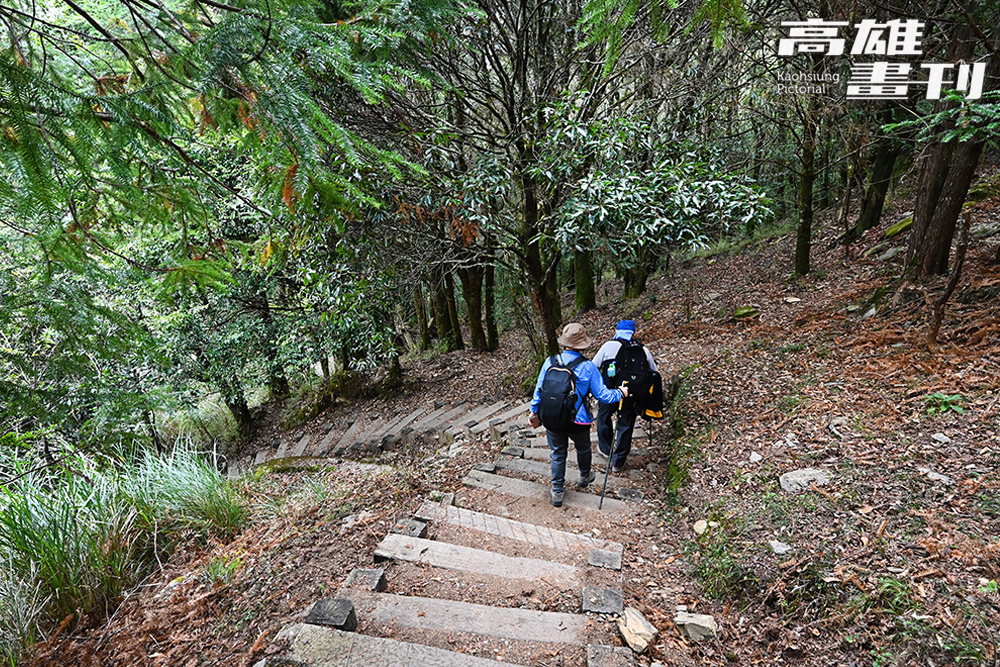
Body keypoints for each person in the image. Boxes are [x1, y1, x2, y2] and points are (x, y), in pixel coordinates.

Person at [528, 323, 628, 507]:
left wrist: (534, 411)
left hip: (552, 417)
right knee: (583, 448)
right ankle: (584, 476)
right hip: (578, 420)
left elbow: (539, 390)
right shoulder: (588, 367)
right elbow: (603, 395)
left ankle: (557, 491)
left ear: (565, 342)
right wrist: (620, 393)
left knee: (557, 453)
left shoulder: (550, 361)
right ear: (582, 344)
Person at [592, 320, 657, 474]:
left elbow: (594, 366)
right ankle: (618, 462)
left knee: (603, 417)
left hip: (609, 392)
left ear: (617, 330)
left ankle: (606, 449)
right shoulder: (642, 349)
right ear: (633, 333)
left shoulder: (608, 346)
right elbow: (653, 370)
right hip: (631, 394)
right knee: (626, 425)